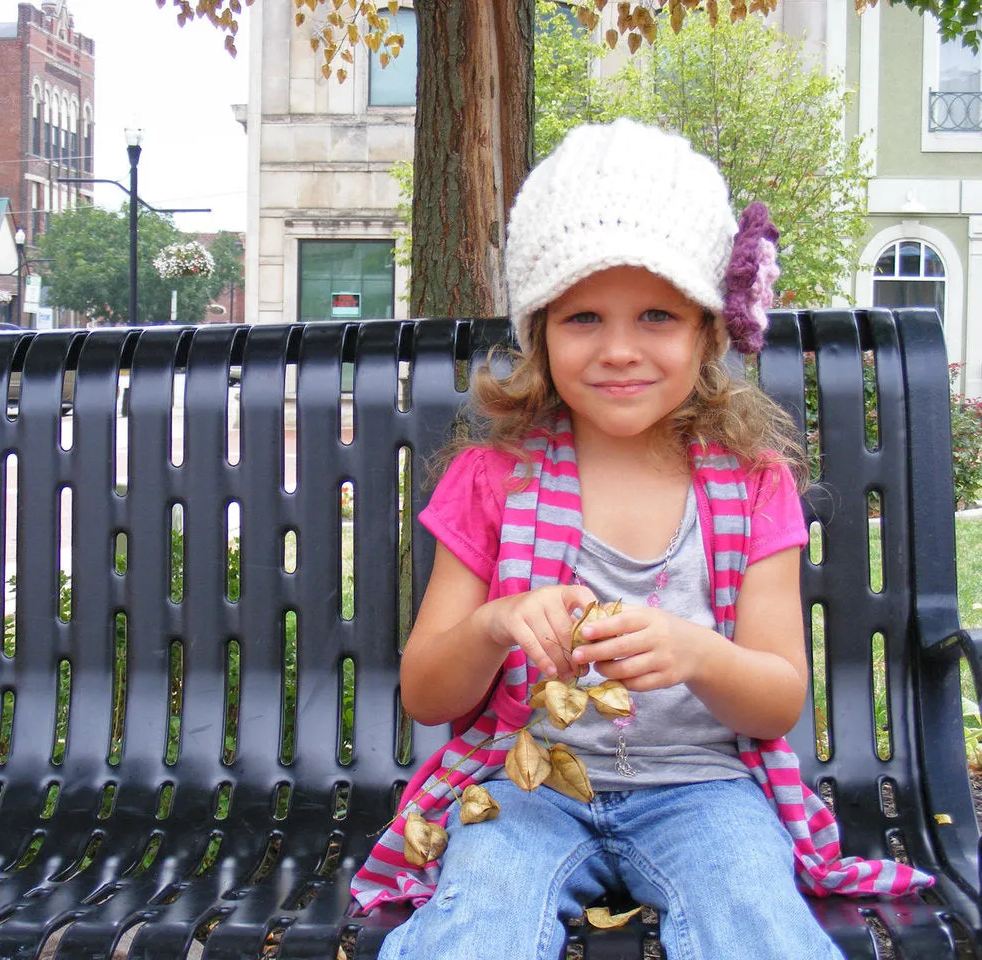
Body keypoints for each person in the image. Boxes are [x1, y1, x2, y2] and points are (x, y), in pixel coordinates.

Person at [349, 119, 933, 959]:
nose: (619, 349)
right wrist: (493, 623)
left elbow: (776, 699)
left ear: (706, 330)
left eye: (656, 314)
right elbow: (427, 695)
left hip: (707, 791)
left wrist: (696, 654)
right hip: (526, 786)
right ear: (541, 332)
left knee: (758, 927)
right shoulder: (494, 478)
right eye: (584, 316)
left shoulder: (752, 483)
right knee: (477, 928)